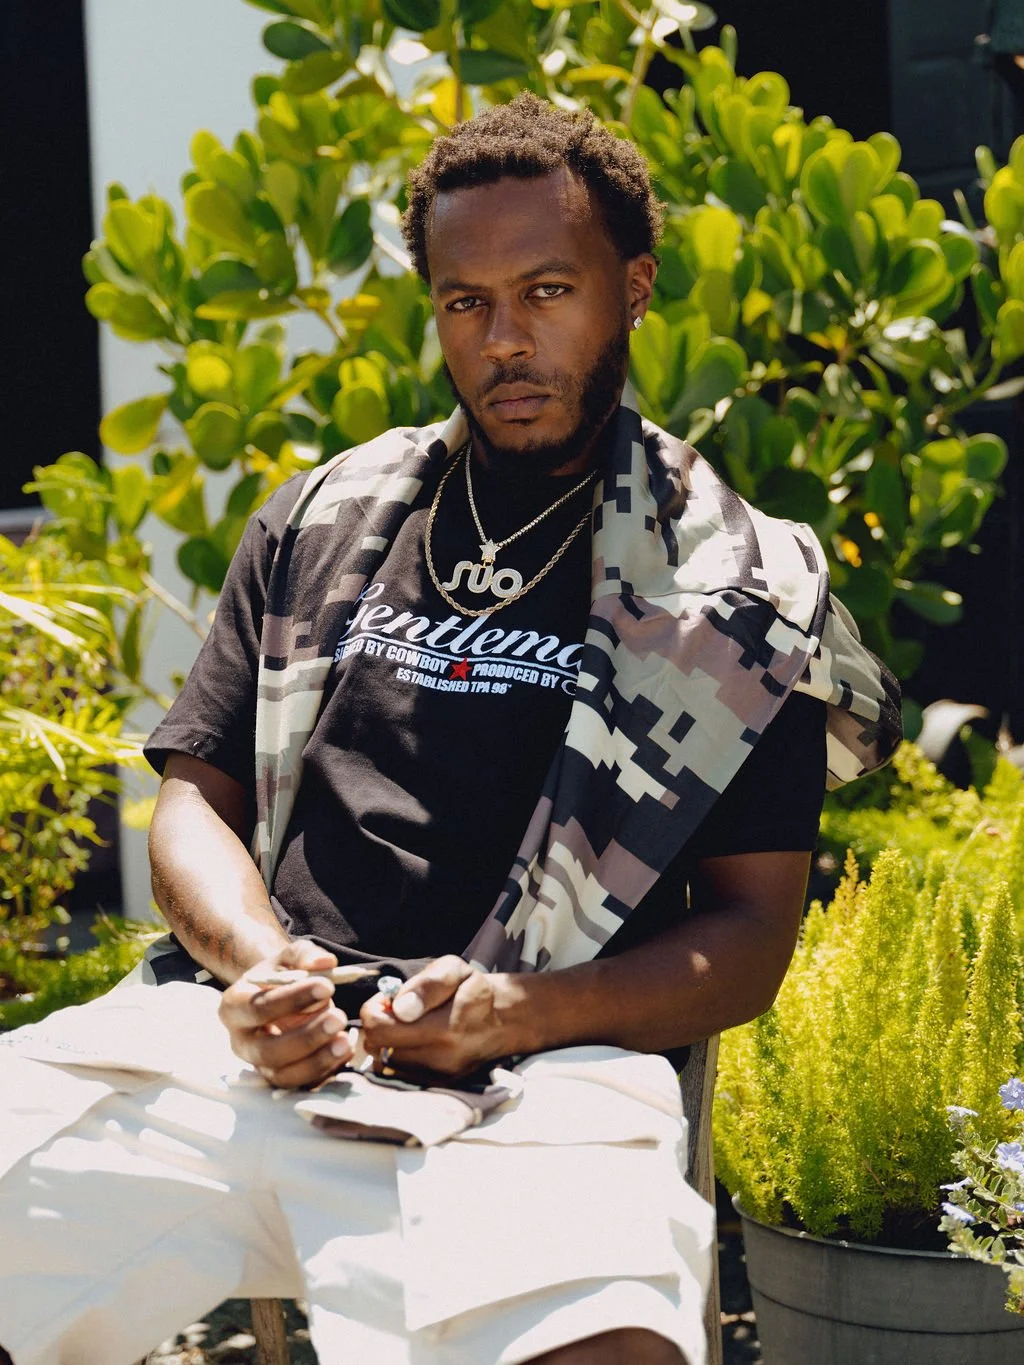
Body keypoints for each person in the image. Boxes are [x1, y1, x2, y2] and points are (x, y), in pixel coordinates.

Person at [0, 94, 900, 1365]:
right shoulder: (324, 516)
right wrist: (262, 968)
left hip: (538, 1078)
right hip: (250, 1050)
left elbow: (749, 940)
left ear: (631, 289)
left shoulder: (734, 592)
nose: (504, 342)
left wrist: (511, 1016)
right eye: (464, 303)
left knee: (597, 1344)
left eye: (546, 291)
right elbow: (193, 795)